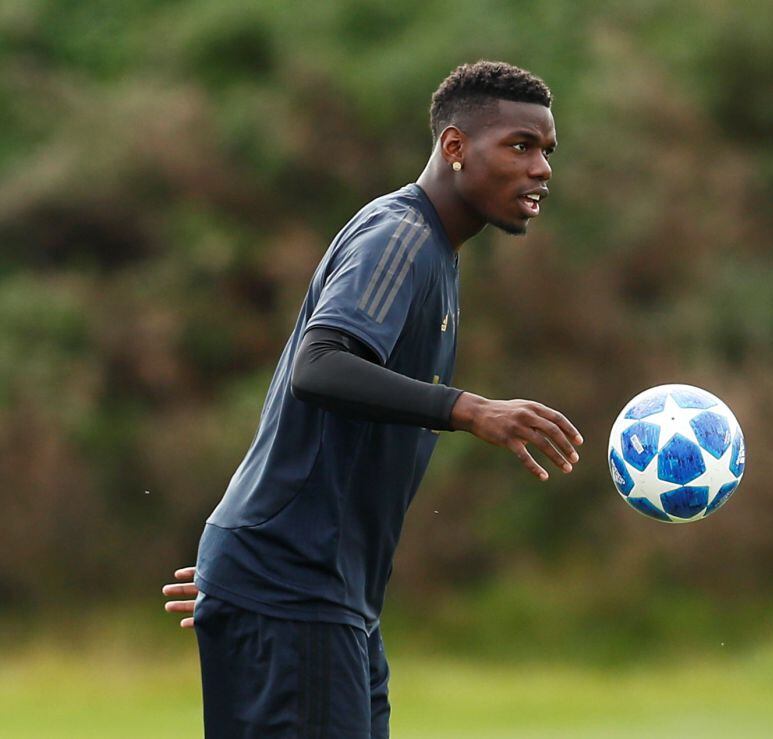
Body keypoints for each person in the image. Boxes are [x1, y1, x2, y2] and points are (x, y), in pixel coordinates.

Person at [162, 60, 582, 738]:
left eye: (547, 151)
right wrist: (470, 409)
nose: (542, 168)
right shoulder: (401, 236)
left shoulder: (436, 253)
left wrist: (244, 571)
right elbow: (321, 367)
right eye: (520, 146)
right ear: (454, 147)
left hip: (322, 591)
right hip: (297, 585)